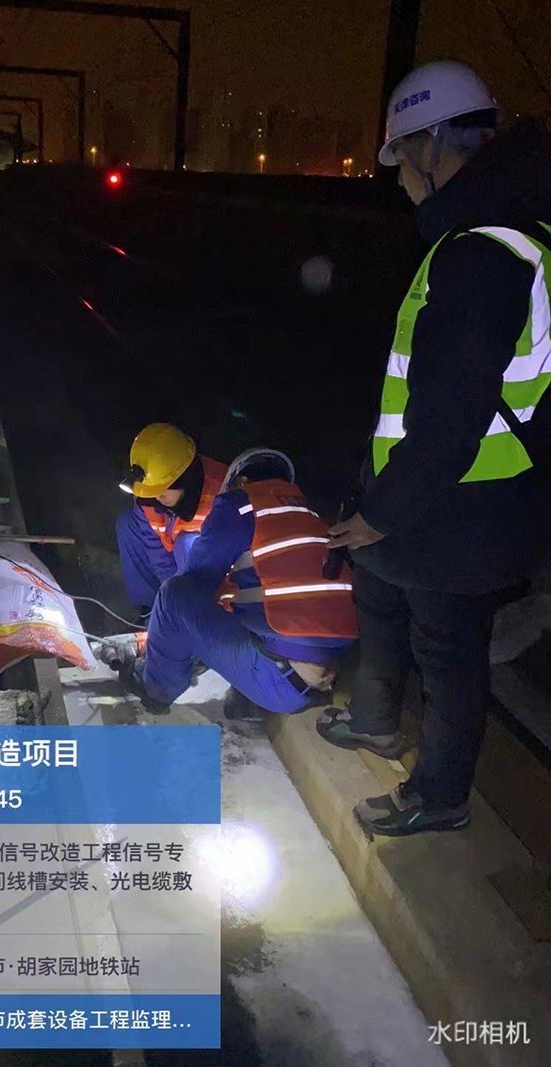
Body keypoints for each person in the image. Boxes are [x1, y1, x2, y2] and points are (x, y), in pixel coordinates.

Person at [321, 60, 551, 837]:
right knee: (381, 593)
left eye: (400, 158)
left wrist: (380, 513)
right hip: (449, 501)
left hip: (460, 509)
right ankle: (375, 721)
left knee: (450, 652)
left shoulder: (481, 254)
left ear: (432, 145)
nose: (398, 180)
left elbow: (451, 420)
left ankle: (441, 795)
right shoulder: (503, 237)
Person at [121, 448, 358, 712]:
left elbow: (195, 578)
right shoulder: (309, 516)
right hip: (323, 671)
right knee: (242, 600)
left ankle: (154, 690)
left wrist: (174, 635)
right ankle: (245, 696)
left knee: (173, 596)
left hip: (279, 680)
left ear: (242, 482)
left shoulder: (241, 504)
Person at [115, 423, 227, 611]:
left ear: (185, 478)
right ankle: (152, 608)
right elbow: (156, 551)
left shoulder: (222, 495)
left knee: (186, 544)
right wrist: (169, 596)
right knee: (127, 525)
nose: (157, 497)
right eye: (152, 491)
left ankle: (198, 612)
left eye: (162, 490)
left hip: (212, 575)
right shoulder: (148, 492)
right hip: (171, 556)